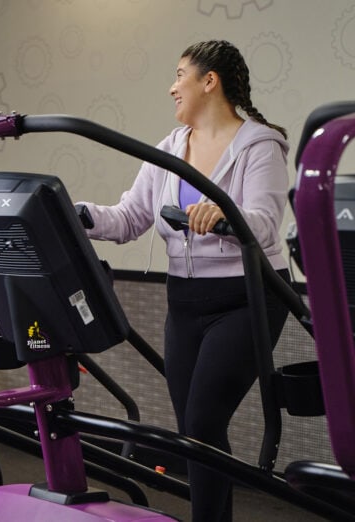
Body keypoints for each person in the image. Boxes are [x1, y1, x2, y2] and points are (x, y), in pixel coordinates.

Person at [77, 40, 290, 521]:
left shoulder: (260, 145)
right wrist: (77, 215)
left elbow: (263, 222)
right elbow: (130, 217)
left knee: (202, 419)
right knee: (193, 433)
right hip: (187, 299)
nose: (172, 88)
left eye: (180, 76)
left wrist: (223, 213)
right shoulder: (169, 150)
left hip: (247, 297)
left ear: (208, 80)